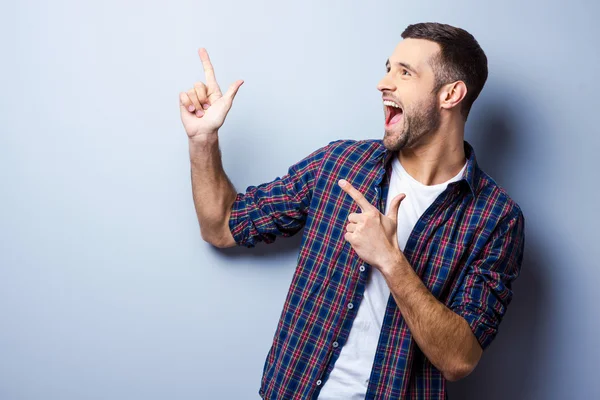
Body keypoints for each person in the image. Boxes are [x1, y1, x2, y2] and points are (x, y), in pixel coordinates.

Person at [178, 22, 525, 400]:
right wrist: (203, 140)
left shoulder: (496, 218)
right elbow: (222, 226)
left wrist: (391, 261)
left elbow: (460, 358)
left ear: (451, 94)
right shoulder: (339, 164)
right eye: (388, 67)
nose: (383, 83)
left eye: (404, 72)